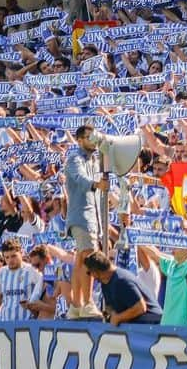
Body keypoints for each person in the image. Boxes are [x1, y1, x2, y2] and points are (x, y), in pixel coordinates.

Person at [63, 125, 108, 319]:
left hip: (90, 217)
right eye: (89, 138)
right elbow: (80, 178)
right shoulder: (75, 158)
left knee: (81, 259)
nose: (94, 141)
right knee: (89, 259)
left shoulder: (95, 159)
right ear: (80, 140)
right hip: (82, 215)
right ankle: (87, 303)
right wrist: (96, 184)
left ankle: (76, 306)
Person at [83, 251, 162, 325]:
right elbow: (111, 308)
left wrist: (119, 318)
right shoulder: (105, 282)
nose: (90, 276)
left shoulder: (121, 281)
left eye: (89, 273)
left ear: (95, 271)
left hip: (151, 323)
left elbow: (140, 308)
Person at [0, 238, 42, 321]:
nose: (10, 260)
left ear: (21, 253)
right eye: (7, 257)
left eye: (13, 256)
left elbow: (42, 293)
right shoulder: (1, 272)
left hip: (27, 323)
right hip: (5, 322)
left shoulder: (32, 270)